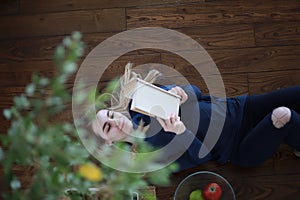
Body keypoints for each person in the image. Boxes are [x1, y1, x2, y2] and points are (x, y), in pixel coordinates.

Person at [91, 63, 300, 172]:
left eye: (110, 115)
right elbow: (203, 157)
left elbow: (196, 92)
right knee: (283, 115)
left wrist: (182, 93)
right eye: (107, 127)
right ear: (109, 142)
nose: (115, 121)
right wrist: (181, 132)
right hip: (238, 146)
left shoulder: (140, 104)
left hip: (241, 108)